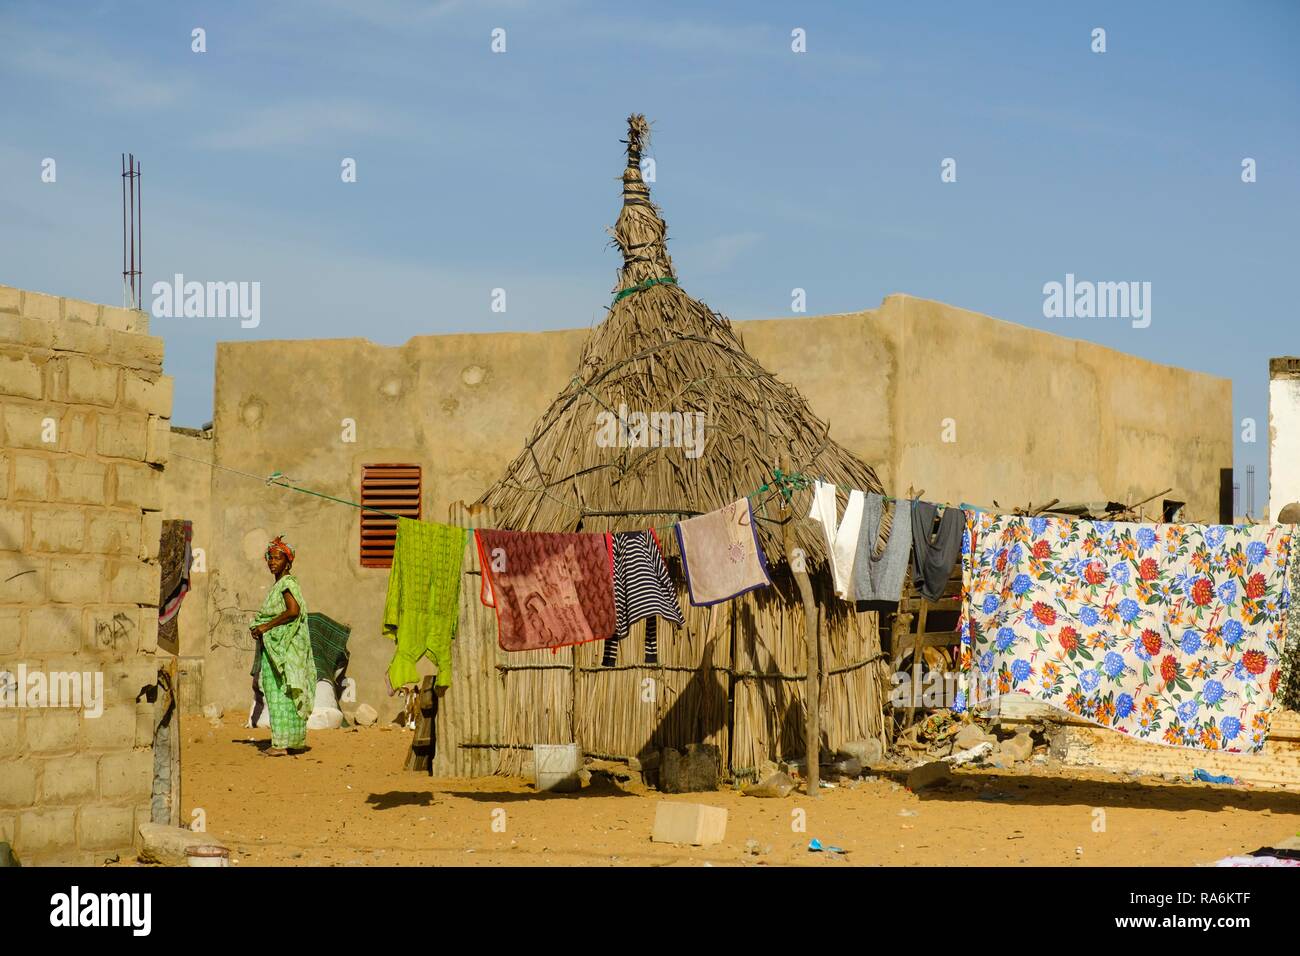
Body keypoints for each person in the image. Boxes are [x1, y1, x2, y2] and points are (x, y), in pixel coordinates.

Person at [249, 536, 314, 755]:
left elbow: (293, 611)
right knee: (286, 691)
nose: (272, 562)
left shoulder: (286, 584)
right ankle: (292, 742)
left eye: (277, 558)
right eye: (270, 558)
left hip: (283, 650)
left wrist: (265, 626)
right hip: (278, 648)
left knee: (278, 692)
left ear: (287, 561)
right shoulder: (280, 585)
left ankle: (280, 745)